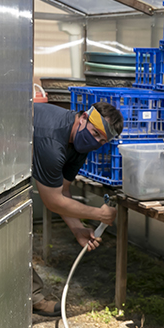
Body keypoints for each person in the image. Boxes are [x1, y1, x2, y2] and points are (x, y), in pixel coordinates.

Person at [32, 101, 123, 316]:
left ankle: (31, 297)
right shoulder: (53, 141)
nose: (96, 141)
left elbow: (63, 191)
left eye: (102, 140)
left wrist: (77, 228)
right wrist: (98, 214)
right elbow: (53, 201)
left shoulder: (81, 143)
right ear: (83, 117)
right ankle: (29, 298)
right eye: (95, 133)